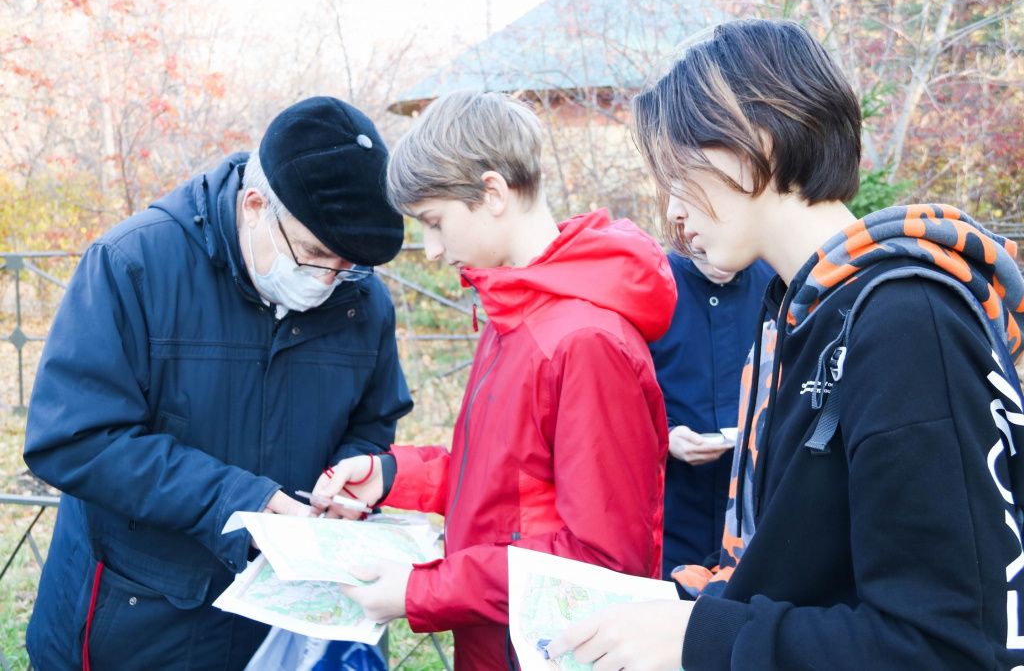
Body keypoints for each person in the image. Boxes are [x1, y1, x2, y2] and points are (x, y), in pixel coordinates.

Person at [547, 19, 1024, 670]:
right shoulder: (800, 321)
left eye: (680, 177)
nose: (673, 214)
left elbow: (945, 647)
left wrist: (700, 639)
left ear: (752, 146)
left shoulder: (908, 322)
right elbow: (805, 573)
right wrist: (682, 605)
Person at [22, 96, 413, 670]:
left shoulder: (362, 296)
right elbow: (74, 439)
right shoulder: (133, 264)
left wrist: (350, 477)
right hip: (139, 618)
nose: (329, 280)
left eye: (347, 265)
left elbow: (373, 421)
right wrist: (242, 502)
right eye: (313, 255)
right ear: (255, 206)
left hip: (287, 621)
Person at [309, 90, 678, 669]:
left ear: (493, 193)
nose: (431, 250)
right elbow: (501, 479)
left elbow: (601, 560)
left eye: (435, 223)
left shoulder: (584, 341)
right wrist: (389, 475)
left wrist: (421, 590)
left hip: (544, 652)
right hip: (491, 641)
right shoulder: (512, 309)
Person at [648, 253, 771, 578]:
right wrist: (666, 434)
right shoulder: (653, 282)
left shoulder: (774, 279)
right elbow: (625, 389)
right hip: (673, 511)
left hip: (752, 514)